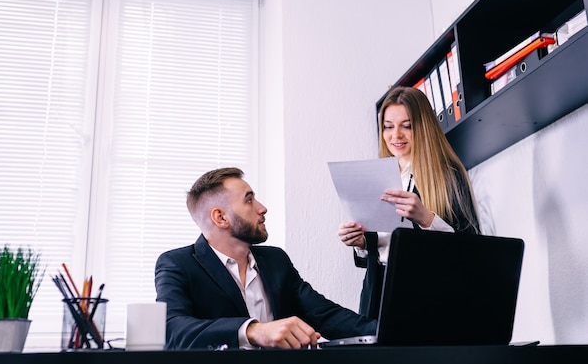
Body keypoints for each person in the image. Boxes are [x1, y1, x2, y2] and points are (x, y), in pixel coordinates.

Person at [155, 167, 376, 350]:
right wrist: (252, 330)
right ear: (220, 217)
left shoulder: (275, 260)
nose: (262, 208)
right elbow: (172, 329)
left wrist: (387, 332)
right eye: (249, 200)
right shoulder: (178, 264)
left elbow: (326, 314)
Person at [338, 86, 480, 319]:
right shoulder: (377, 178)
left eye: (407, 126)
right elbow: (382, 251)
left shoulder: (447, 175)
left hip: (427, 299)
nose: (396, 136)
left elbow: (471, 251)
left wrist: (426, 218)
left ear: (422, 127)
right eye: (388, 127)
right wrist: (361, 242)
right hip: (378, 297)